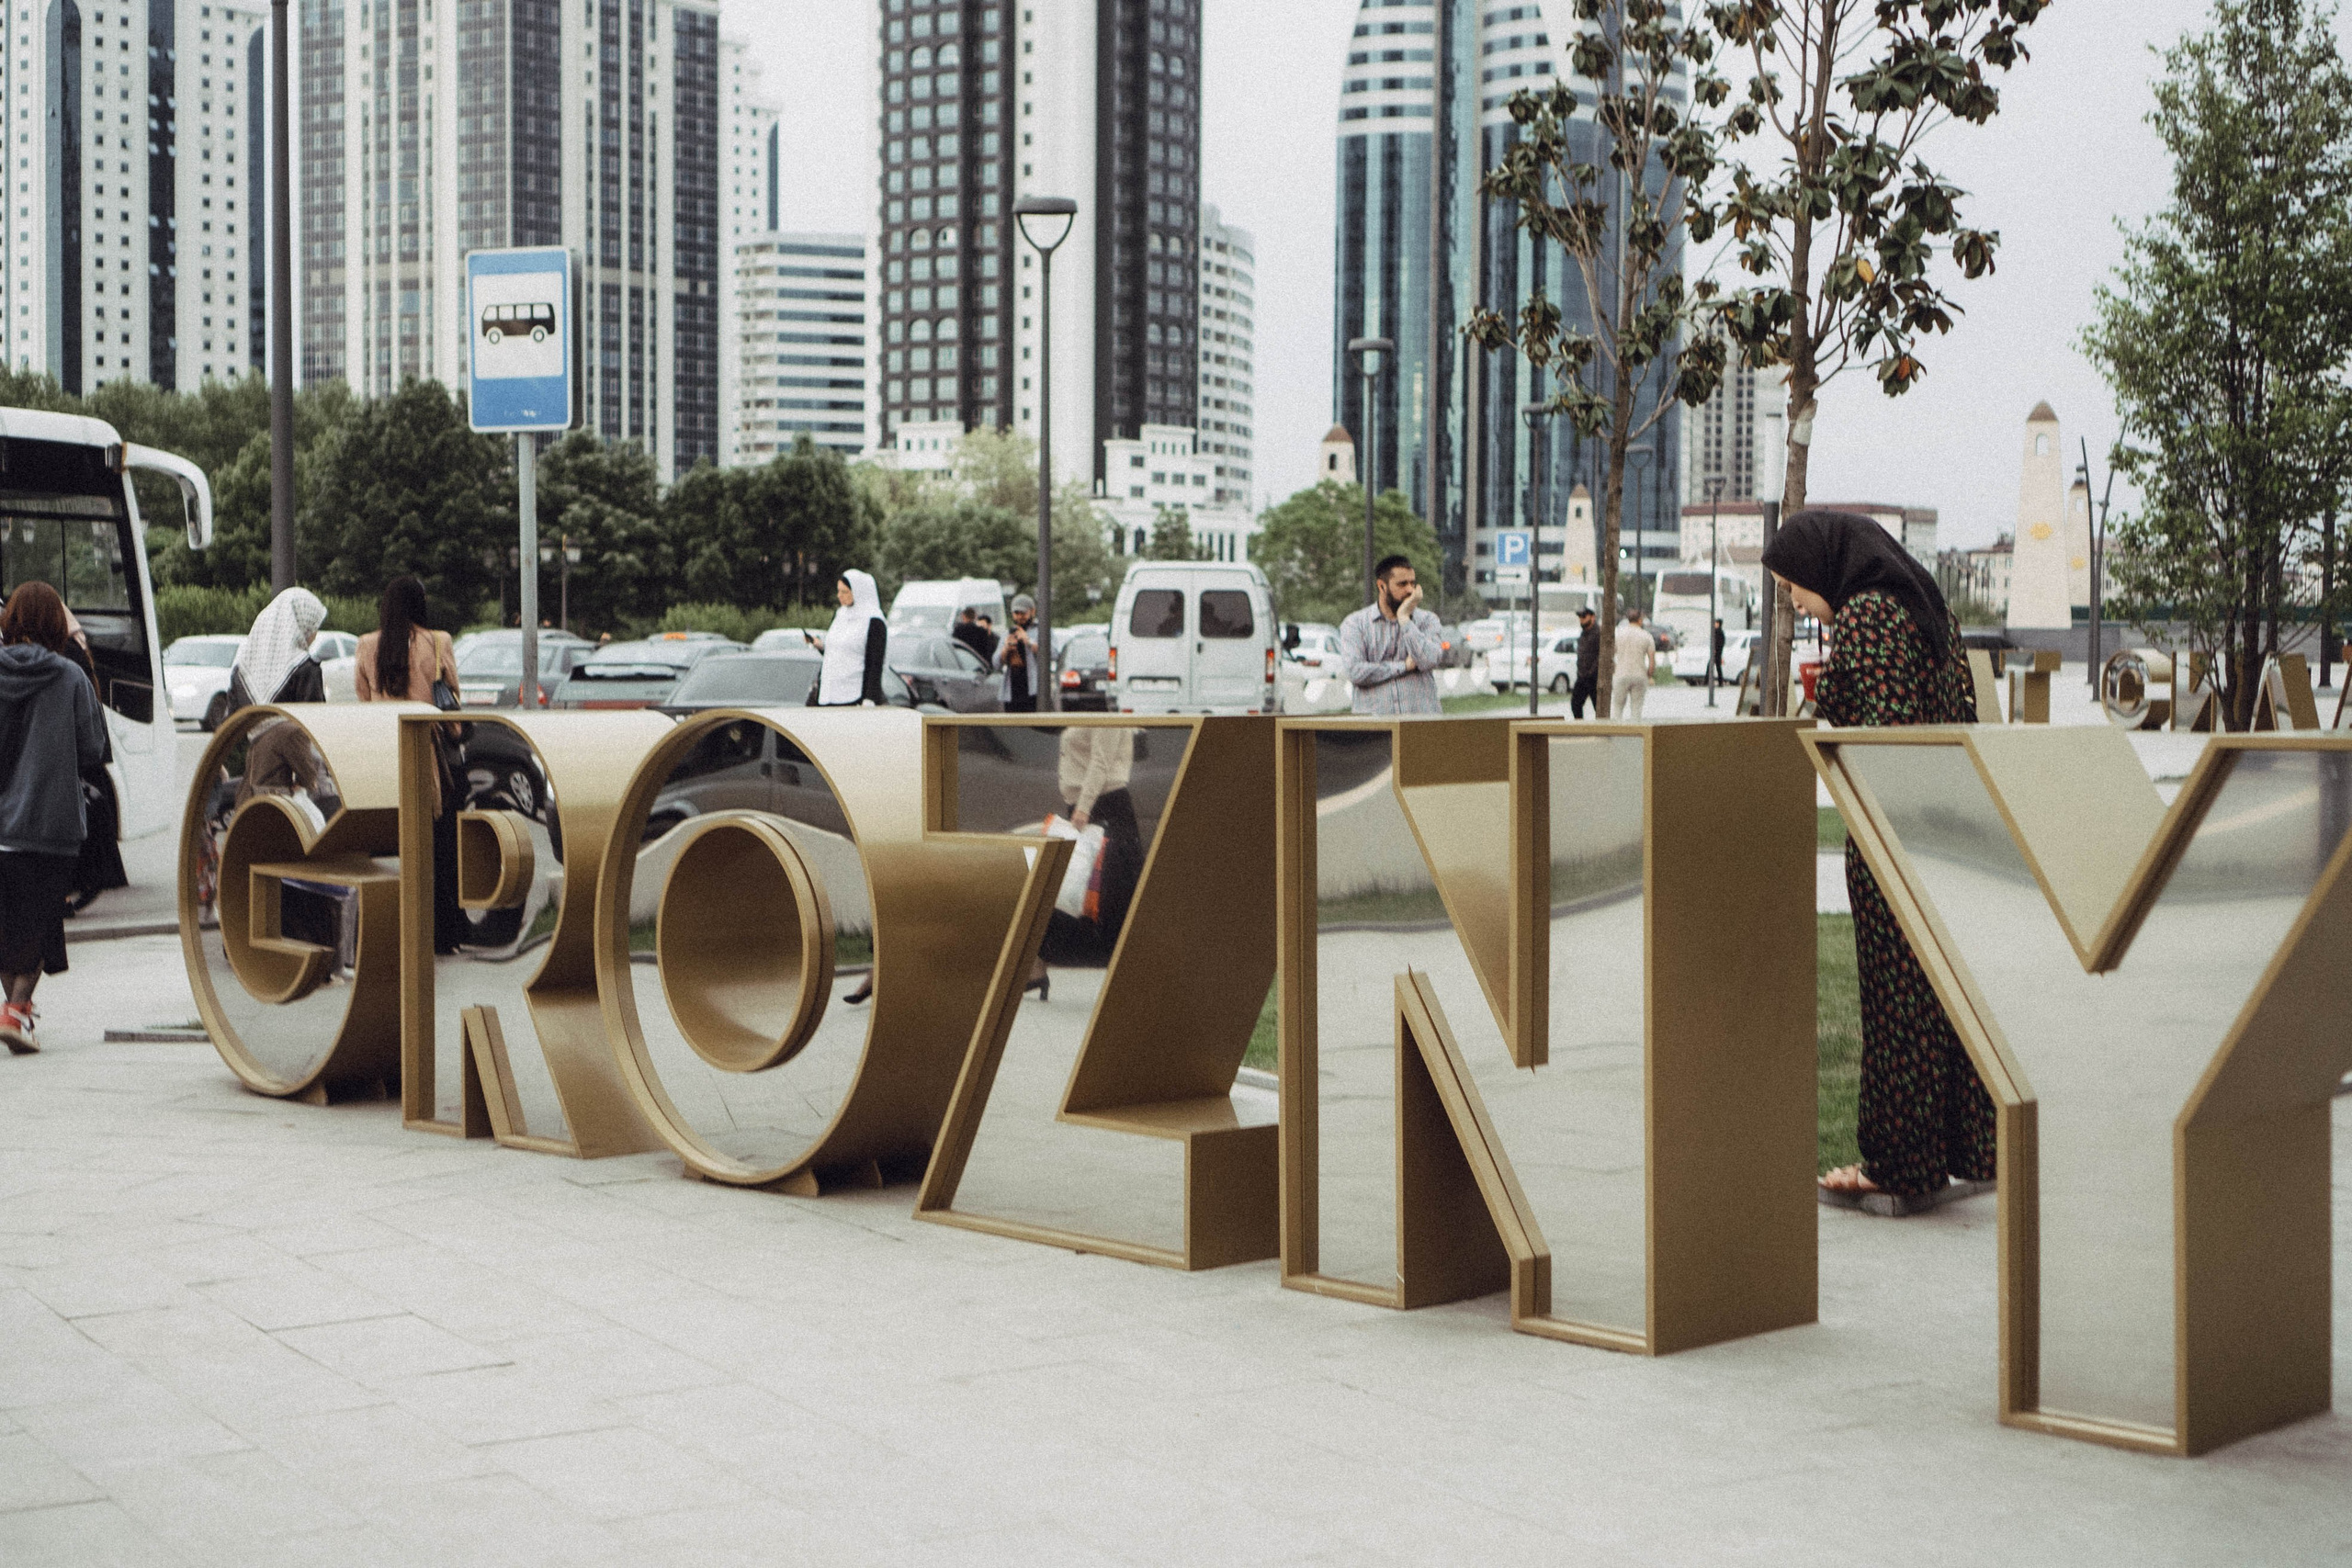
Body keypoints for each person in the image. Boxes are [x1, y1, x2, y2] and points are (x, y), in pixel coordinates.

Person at [1763, 508, 1991, 1211]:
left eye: (1795, 587)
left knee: (1897, 1006)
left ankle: (1897, 1163)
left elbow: (1879, 733)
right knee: (1947, 997)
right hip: (1943, 831)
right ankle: (1972, 1147)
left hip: (1889, 833)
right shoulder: (1931, 612)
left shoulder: (1867, 616)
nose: (1797, 602)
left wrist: (1825, 696)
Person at [0, 582, 110, 1053]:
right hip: (52, 825)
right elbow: (92, 748)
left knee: (6, 925)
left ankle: (15, 1013)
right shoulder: (70, 678)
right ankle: (17, 1010)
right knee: (42, 921)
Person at [356, 577, 463, 952]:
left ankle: (385, 929)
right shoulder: (438, 641)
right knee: (437, 844)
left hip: (384, 755)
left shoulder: (366, 645)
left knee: (388, 843)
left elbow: (364, 701)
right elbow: (452, 699)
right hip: (426, 754)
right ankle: (440, 933)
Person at [1339, 555, 1443, 715]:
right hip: (1375, 731)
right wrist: (1403, 666)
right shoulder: (1355, 624)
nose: (1410, 590)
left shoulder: (1427, 620)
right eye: (1402, 584)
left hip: (1421, 726)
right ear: (1382, 586)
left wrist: (1405, 619)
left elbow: (1429, 659)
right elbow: (1355, 671)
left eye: (1412, 583)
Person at [227, 587, 329, 711]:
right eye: (314, 626)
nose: (315, 633)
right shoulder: (306, 669)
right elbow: (314, 721)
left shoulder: (242, 669)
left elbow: (231, 722)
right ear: (302, 625)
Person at [813, 570, 887, 707]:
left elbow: (875, 663)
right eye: (838, 591)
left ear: (858, 592)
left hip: (854, 696)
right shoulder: (840, 615)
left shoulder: (874, 620)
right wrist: (821, 646)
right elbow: (838, 651)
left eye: (844, 592)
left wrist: (870, 698)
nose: (839, 596)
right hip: (829, 694)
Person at [996, 594, 1041, 713]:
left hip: (1034, 690)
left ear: (1032, 612)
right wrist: (1006, 648)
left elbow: (1052, 654)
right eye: (1016, 613)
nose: (1020, 617)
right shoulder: (1007, 633)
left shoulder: (1041, 630)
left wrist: (1028, 641)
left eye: (1023, 613)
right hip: (1012, 691)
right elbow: (995, 664)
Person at [1611, 609, 1654, 719]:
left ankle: (1617, 731)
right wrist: (1649, 674)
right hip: (1639, 674)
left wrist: (1615, 668)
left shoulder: (1619, 634)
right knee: (1636, 708)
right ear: (1640, 620)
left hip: (1621, 674)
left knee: (1618, 708)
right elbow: (1652, 661)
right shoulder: (1647, 636)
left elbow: (1610, 655)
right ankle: (1636, 731)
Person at [1570, 606, 1600, 718]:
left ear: (1592, 617)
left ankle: (1602, 731)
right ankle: (1580, 728)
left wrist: (1592, 671)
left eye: (1584, 616)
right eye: (1579, 617)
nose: (1581, 619)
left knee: (1599, 707)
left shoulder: (1598, 633)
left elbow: (1601, 656)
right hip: (1583, 676)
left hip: (1594, 678)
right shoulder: (1583, 634)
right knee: (1576, 704)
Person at [1709, 617, 1727, 686]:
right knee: (1716, 667)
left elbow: (1718, 642)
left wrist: (1715, 650)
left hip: (1717, 652)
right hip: (1717, 652)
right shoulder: (1718, 631)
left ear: (1719, 624)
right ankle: (1719, 681)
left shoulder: (1718, 632)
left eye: (1716, 623)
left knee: (1715, 667)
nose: (1714, 624)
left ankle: (1719, 682)